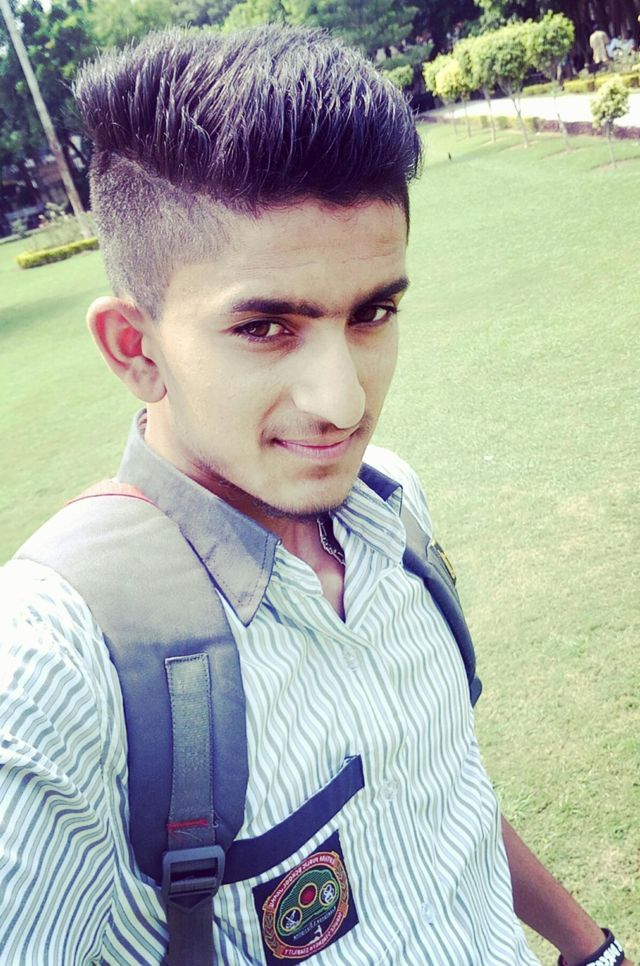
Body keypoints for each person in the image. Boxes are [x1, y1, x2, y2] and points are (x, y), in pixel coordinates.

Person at [0, 25, 633, 966]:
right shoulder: (54, 672)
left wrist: (591, 950)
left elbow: (435, 794)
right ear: (137, 350)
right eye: (265, 327)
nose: (343, 405)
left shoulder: (392, 507)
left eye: (373, 312)